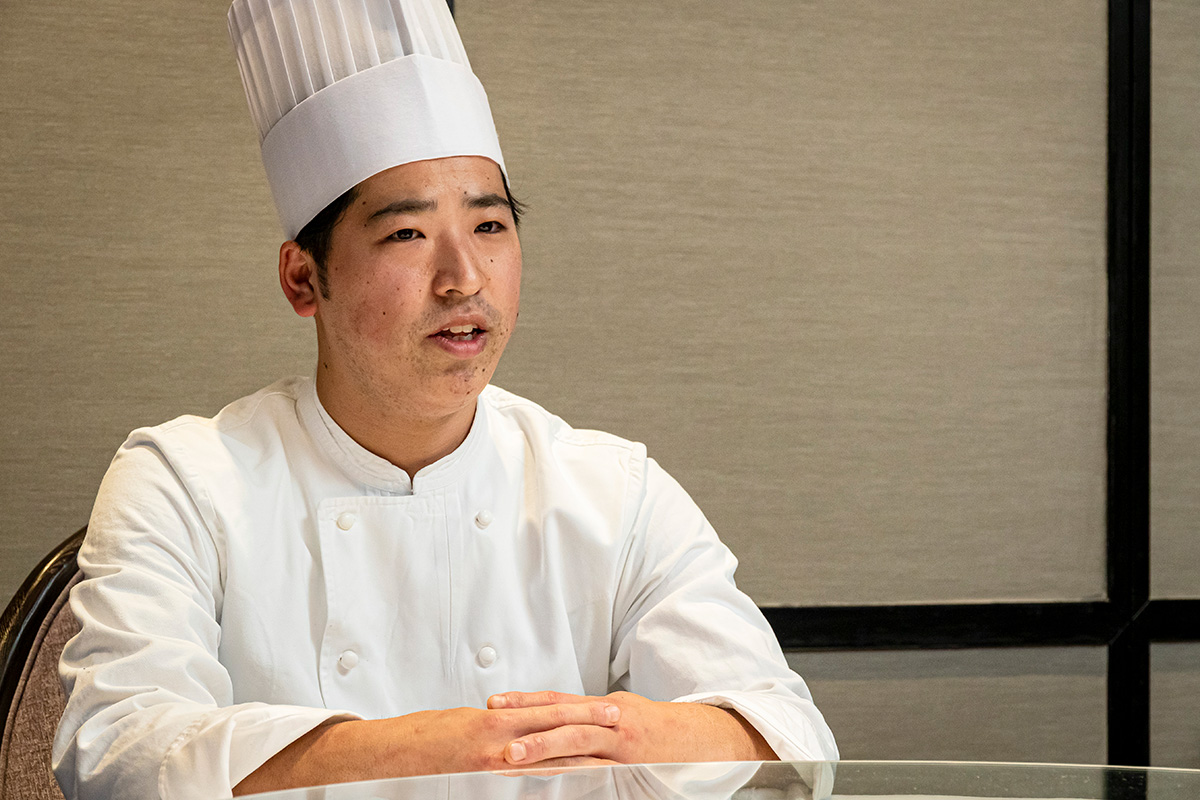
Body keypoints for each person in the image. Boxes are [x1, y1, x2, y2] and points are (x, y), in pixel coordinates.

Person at [51, 1, 838, 798]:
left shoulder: (613, 491)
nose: (464, 278)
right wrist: (440, 748)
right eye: (407, 234)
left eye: (490, 226)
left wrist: (626, 732)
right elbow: (118, 750)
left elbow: (789, 736)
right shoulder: (185, 482)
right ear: (302, 278)